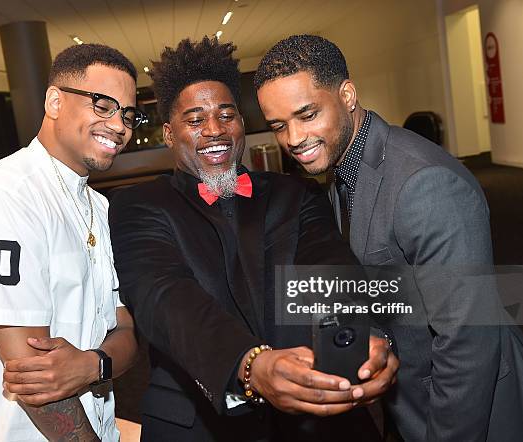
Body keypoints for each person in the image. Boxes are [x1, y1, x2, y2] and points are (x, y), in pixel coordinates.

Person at [107, 36, 398, 442]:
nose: (214, 130)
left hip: (314, 417)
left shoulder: (295, 193)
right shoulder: (138, 205)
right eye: (195, 120)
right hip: (201, 424)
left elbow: (329, 270)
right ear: (170, 134)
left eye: (227, 114)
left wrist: (359, 338)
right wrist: (250, 365)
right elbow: (166, 297)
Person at [254, 34, 523, 442]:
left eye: (307, 114)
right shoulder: (339, 172)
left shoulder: (424, 183)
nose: (293, 138)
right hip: (408, 404)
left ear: (347, 95)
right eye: (279, 125)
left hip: (468, 415)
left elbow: (468, 343)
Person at [0, 43, 144, 441]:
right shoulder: (5, 195)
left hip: (96, 425)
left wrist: (92, 365)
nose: (119, 125)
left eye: (128, 114)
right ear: (54, 101)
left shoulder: (96, 205)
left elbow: (127, 332)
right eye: (103, 105)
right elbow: (34, 379)